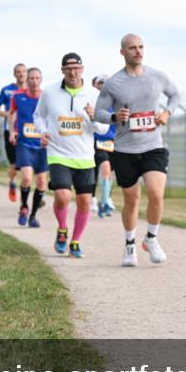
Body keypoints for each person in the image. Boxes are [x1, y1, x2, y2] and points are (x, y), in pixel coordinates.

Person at [95, 35, 179, 266]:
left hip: (153, 146)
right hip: (124, 149)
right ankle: (130, 245)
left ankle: (151, 238)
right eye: (132, 48)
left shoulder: (157, 76)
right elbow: (98, 112)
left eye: (141, 47)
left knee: (156, 193)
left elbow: (175, 95)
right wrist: (114, 116)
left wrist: (166, 113)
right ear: (122, 52)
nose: (138, 51)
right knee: (131, 200)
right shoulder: (114, 83)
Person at [33, 53, 110, 258]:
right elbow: (38, 116)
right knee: (63, 196)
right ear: (62, 70)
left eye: (76, 68)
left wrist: (94, 117)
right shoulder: (49, 93)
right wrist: (43, 132)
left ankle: (75, 241)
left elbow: (102, 129)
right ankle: (62, 228)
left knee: (84, 202)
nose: (73, 72)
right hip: (58, 154)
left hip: (85, 156)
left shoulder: (94, 95)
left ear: (82, 69)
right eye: (68, 68)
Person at [9, 68, 48, 227]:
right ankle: (24, 206)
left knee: (41, 180)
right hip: (24, 143)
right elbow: (10, 114)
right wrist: (12, 131)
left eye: (37, 78)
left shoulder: (47, 97)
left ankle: (33, 215)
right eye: (31, 78)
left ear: (41, 80)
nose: (34, 81)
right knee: (26, 177)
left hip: (42, 145)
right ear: (27, 80)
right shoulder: (18, 96)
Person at [0, 64, 29, 203]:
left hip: (28, 131)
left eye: (23, 71)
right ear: (14, 74)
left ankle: (25, 197)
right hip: (10, 130)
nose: (21, 74)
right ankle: (12, 182)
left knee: (27, 165)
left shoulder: (32, 89)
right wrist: (10, 114)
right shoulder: (6, 90)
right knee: (14, 165)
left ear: (27, 73)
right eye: (18, 72)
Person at [90, 74, 117, 218]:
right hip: (96, 141)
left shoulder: (116, 101)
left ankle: (105, 199)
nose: (103, 85)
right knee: (103, 168)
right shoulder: (91, 101)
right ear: (94, 85)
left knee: (109, 173)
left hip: (113, 142)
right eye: (100, 82)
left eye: (106, 82)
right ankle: (102, 201)